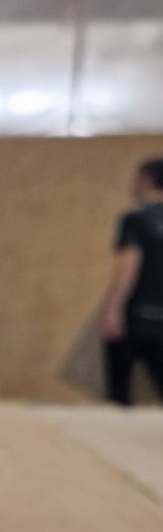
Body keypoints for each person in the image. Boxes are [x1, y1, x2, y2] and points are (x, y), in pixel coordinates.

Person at [100, 158, 163, 405]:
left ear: (147, 179)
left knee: (119, 394)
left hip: (135, 315)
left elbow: (128, 265)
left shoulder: (136, 219)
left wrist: (112, 309)